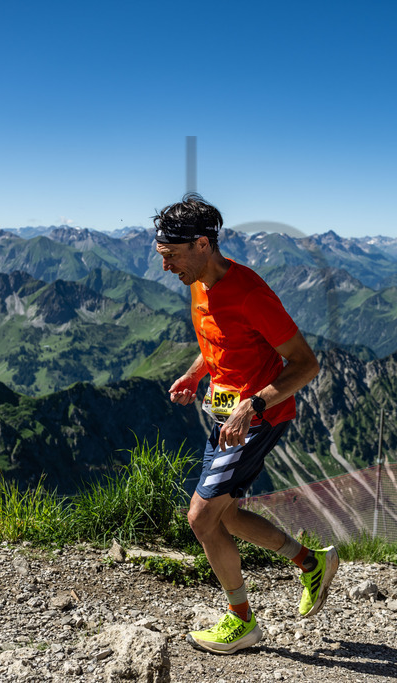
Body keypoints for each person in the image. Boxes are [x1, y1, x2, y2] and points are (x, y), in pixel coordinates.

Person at [153, 193, 338, 655]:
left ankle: (242, 621)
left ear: (201, 244)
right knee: (225, 514)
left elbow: (306, 364)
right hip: (227, 415)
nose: (165, 268)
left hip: (256, 418)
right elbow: (220, 340)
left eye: (170, 256)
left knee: (200, 517)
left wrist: (251, 406)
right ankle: (310, 562)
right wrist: (196, 375)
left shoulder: (251, 294)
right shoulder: (199, 281)